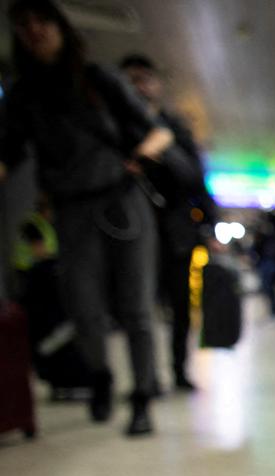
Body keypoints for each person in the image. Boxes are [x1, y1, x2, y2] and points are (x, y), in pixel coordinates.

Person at [0, 0, 173, 435]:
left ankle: (142, 397)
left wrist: (144, 157)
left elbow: (158, 130)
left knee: (135, 305)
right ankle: (100, 375)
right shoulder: (24, 95)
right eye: (24, 25)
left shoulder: (98, 80)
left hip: (122, 199)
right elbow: (10, 150)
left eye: (41, 20)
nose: (34, 30)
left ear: (59, 26)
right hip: (71, 207)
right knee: (83, 306)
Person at [119, 52, 213, 392]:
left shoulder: (174, 128)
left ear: (156, 84)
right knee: (138, 305)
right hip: (130, 229)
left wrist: (157, 153)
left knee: (179, 307)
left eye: (144, 78)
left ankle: (177, 369)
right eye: (130, 80)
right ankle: (146, 377)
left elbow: (195, 178)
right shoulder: (116, 130)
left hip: (175, 233)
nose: (139, 86)